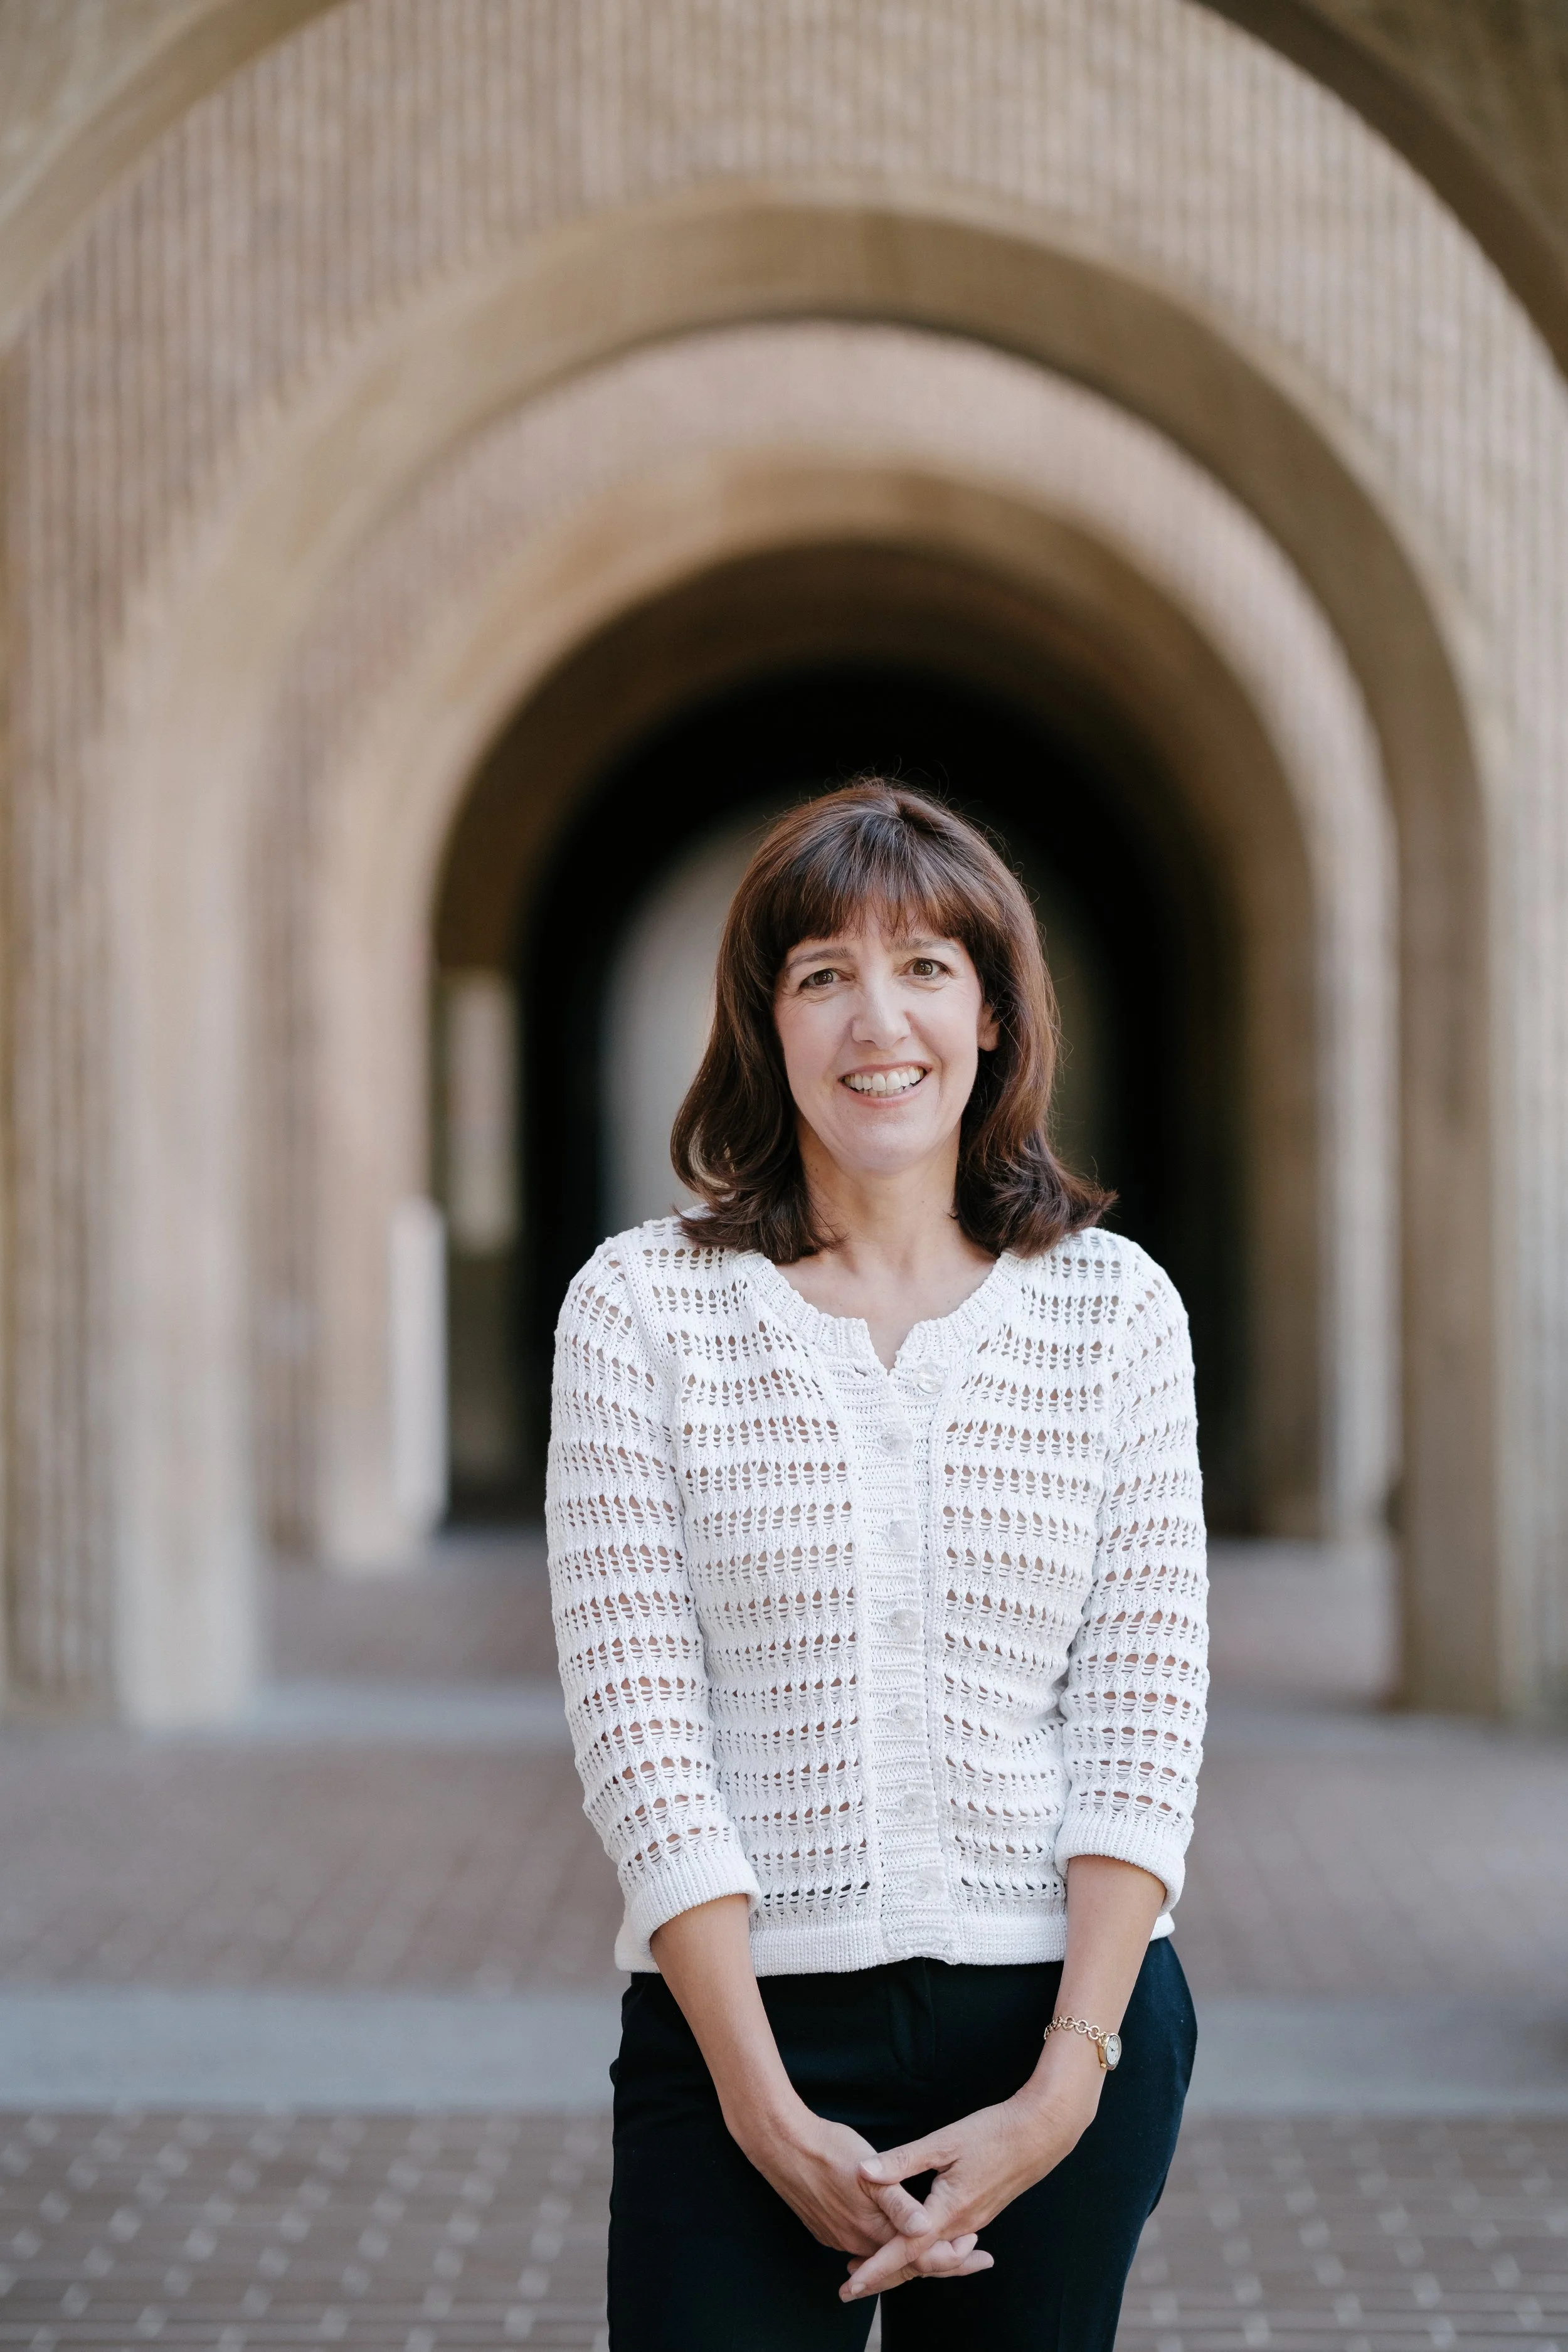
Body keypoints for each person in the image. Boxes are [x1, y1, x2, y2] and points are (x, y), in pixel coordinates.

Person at [546, 781, 1206, 2351]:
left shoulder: (1111, 1311)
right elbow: (637, 1721)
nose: (875, 1019)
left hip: (1061, 2023)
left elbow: (1144, 1709)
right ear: (765, 1025)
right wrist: (762, 2111)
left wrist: (1061, 2089)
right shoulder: (643, 1307)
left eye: (923, 966)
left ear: (990, 1016)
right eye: (821, 973)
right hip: (742, 2032)